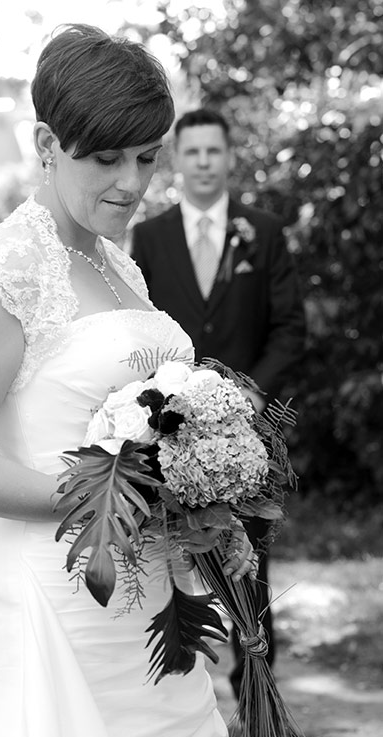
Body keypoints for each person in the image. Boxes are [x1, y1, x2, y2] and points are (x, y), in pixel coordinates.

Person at [0, 26, 257, 737]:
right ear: (47, 144)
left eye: (147, 156)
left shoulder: (116, 262)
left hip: (151, 598)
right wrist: (119, 499)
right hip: (59, 596)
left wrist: (201, 504)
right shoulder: (0, 274)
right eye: (106, 159)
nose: (132, 182)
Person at [131, 108, 306, 699]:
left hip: (246, 433)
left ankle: (256, 694)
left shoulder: (265, 231)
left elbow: (289, 328)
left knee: (250, 565)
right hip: (172, 434)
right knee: (175, 557)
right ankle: (178, 685)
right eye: (193, 151)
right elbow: (139, 329)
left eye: (214, 151)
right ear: (177, 160)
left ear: (229, 157)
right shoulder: (149, 237)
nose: (204, 162)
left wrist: (252, 394)